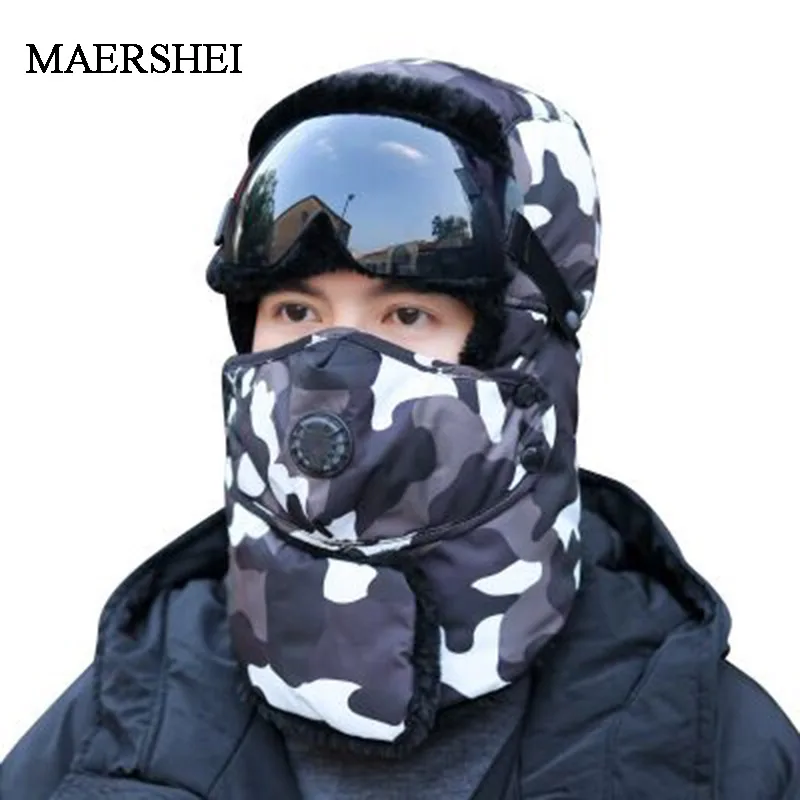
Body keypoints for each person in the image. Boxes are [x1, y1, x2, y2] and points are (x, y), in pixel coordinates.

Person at [2, 58, 798, 800]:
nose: (329, 364)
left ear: (525, 355)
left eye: (408, 314)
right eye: (296, 311)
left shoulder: (710, 750)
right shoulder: (125, 721)